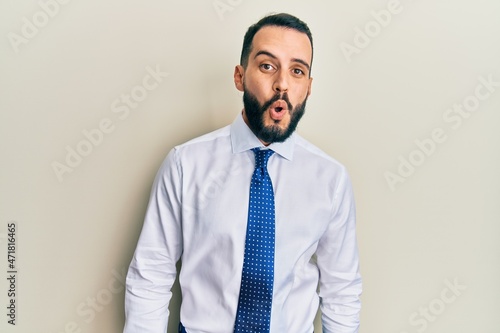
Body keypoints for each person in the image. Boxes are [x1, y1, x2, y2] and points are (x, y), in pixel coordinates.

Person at [123, 13, 362, 333]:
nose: (282, 83)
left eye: (297, 70)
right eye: (267, 66)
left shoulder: (330, 180)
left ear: (308, 87)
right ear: (240, 76)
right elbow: (150, 277)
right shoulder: (186, 164)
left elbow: (341, 291)